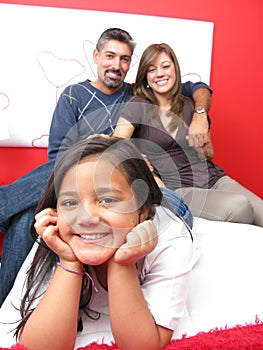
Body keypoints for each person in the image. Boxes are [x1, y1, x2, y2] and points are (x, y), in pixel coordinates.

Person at [0, 28, 212, 306]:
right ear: (96, 56)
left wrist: (200, 114)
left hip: (127, 179)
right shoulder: (74, 95)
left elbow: (194, 86)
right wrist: (87, 155)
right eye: (110, 56)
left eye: (125, 59)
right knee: (31, 210)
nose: (117, 65)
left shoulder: (137, 94)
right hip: (74, 178)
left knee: (166, 202)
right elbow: (57, 157)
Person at [0, 136, 199, 350]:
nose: (86, 217)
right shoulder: (59, 231)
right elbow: (39, 346)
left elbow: (143, 345)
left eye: (107, 199)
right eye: (69, 202)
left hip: (164, 203)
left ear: (142, 211)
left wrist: (122, 264)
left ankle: (154, 180)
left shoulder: (170, 234)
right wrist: (69, 261)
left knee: (163, 197)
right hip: (125, 201)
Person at [113, 43, 263, 227]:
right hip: (179, 188)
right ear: (145, 76)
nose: (159, 73)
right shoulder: (138, 105)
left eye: (166, 66)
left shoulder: (190, 105)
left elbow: (210, 154)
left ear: (175, 69)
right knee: (239, 207)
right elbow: (117, 144)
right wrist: (140, 163)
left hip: (214, 179)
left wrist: (202, 146)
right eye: (152, 69)